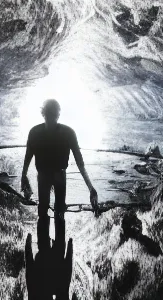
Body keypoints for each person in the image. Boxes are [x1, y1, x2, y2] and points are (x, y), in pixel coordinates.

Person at [21, 99, 98, 249]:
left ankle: (44, 248)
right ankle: (58, 247)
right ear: (58, 114)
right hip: (58, 175)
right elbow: (80, 163)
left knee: (44, 211)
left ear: (43, 113)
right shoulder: (68, 133)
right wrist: (90, 188)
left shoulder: (35, 132)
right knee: (58, 213)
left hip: (45, 175)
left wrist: (23, 177)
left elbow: (27, 158)